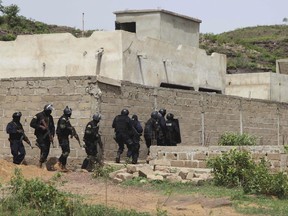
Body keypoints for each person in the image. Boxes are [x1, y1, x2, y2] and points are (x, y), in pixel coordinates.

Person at [30, 104, 55, 168]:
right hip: (40, 134)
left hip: (47, 136)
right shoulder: (39, 115)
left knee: (47, 150)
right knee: (44, 148)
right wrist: (40, 126)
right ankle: (41, 163)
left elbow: (52, 127)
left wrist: (52, 134)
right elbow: (32, 124)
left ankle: (42, 162)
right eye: (49, 110)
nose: (50, 112)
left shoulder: (50, 117)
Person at [55, 106, 79, 171]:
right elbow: (62, 127)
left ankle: (63, 166)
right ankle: (58, 163)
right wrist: (70, 128)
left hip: (65, 137)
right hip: (62, 137)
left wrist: (72, 132)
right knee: (66, 152)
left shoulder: (66, 119)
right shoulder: (63, 119)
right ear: (68, 113)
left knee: (65, 152)